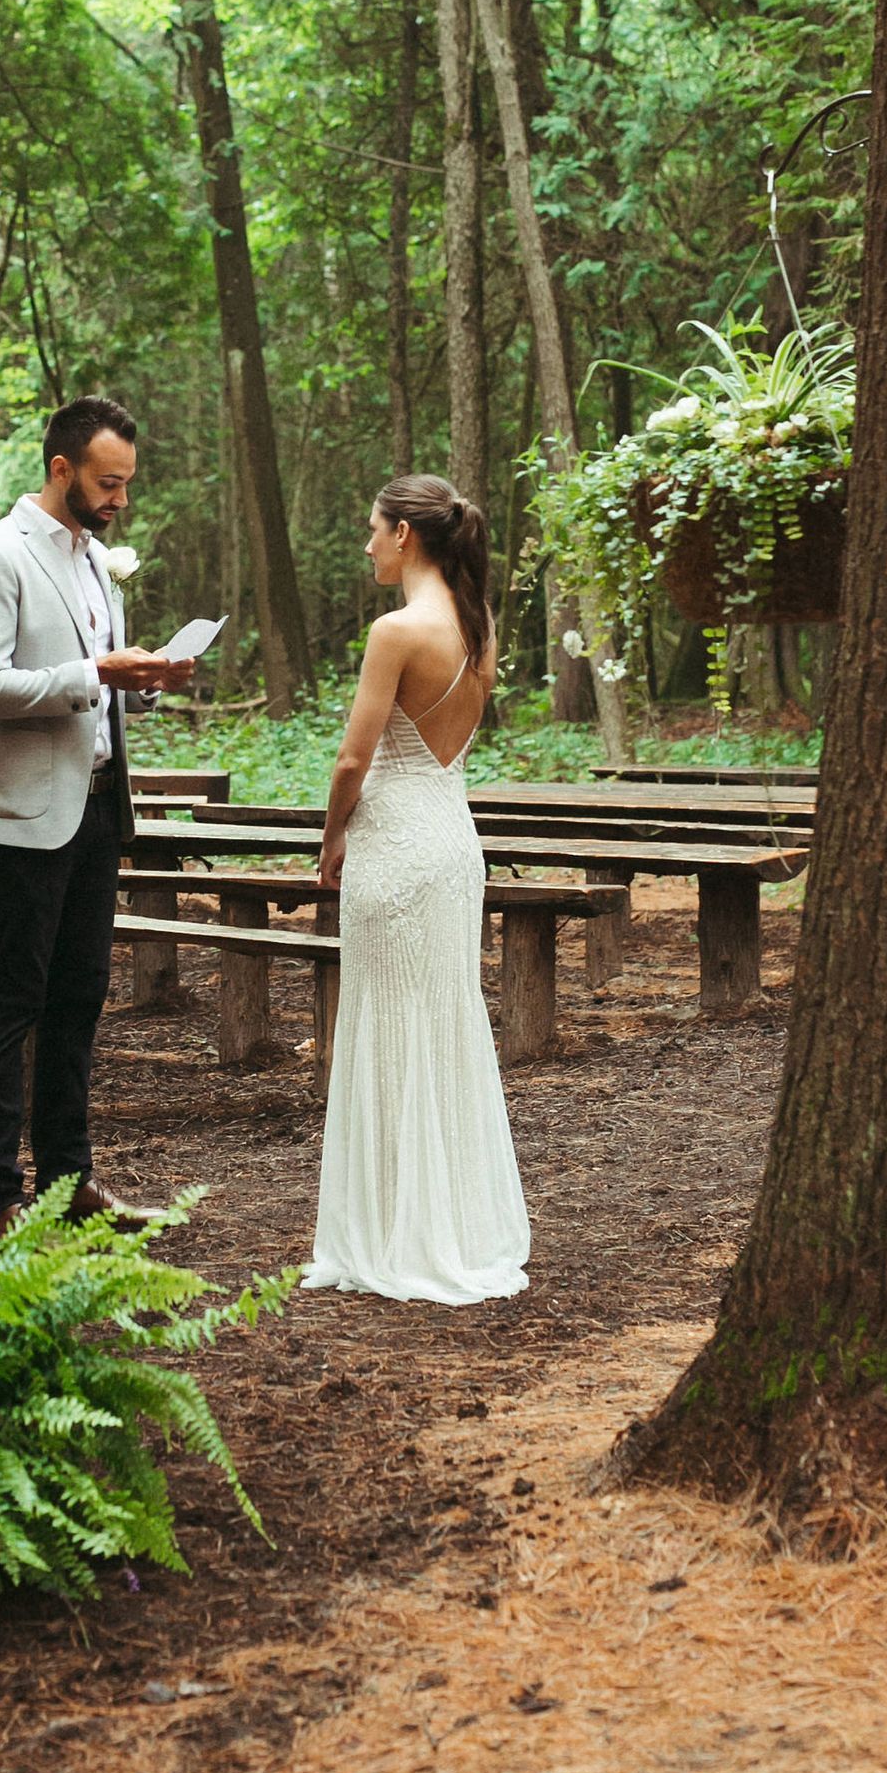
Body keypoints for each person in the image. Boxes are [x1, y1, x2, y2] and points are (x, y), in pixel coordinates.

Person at [0, 396, 192, 1229]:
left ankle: (68, 1182)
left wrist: (143, 685)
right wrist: (96, 672)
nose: (120, 498)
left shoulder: (93, 559)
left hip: (95, 808)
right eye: (107, 482)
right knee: (14, 1000)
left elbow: (98, 688)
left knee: (81, 994)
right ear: (61, 470)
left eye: (126, 483)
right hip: (23, 814)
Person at [304, 473, 530, 1305]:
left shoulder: (396, 631)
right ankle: (451, 1224)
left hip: (396, 850)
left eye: (373, 530)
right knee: (442, 1023)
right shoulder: (478, 628)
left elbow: (352, 760)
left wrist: (331, 836)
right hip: (452, 843)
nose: (367, 544)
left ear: (405, 535)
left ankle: (398, 1232)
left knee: (388, 1025)